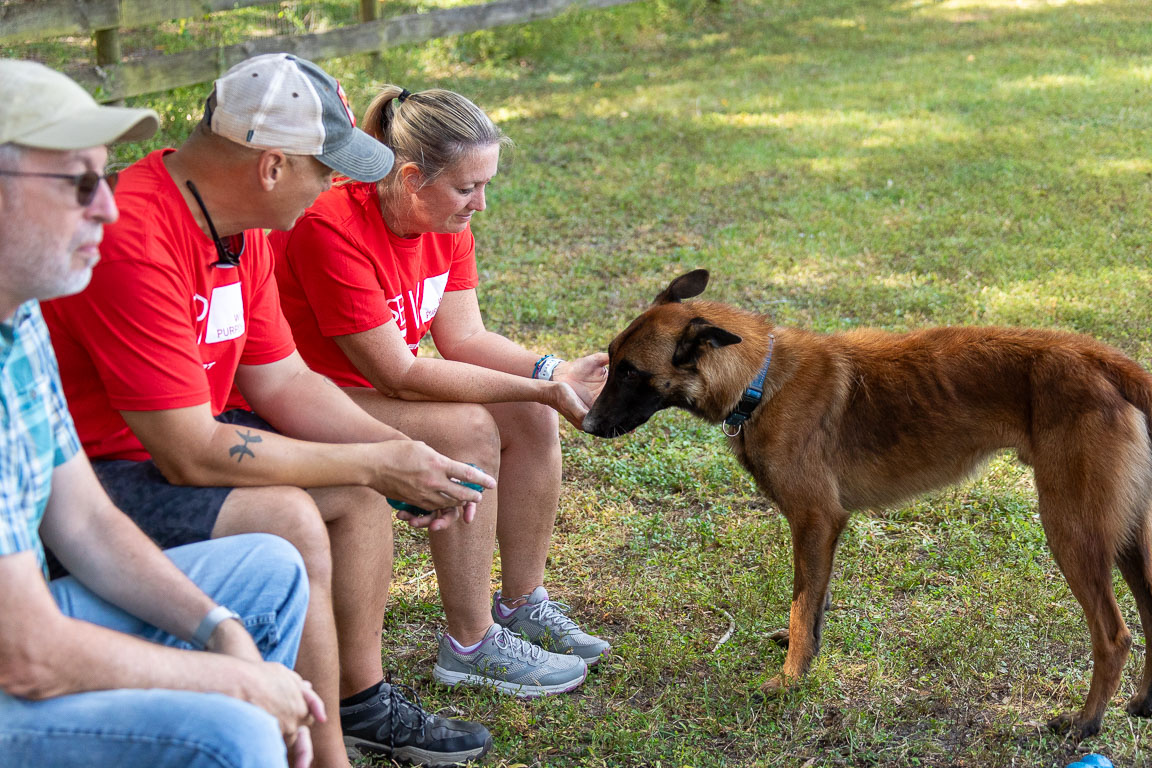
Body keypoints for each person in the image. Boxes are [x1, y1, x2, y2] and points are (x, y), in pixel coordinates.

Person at [41, 54, 495, 768]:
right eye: (327, 170)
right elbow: (185, 450)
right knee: (292, 512)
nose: (337, 187)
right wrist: (379, 459)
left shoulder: (243, 230)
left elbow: (284, 381)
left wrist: (402, 458)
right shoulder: (136, 236)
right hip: (90, 472)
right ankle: (322, 753)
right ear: (272, 167)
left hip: (170, 444)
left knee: (357, 491)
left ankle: (357, 700)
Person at [0, 58, 322, 768]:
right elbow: (24, 655)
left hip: (25, 626)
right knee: (229, 731)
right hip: (15, 651)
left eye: (104, 178)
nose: (107, 207)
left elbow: (84, 519)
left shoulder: (18, 325)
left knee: (269, 569)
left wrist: (218, 631)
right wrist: (236, 681)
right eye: (77, 183)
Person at [268, 85, 611, 693]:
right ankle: (469, 645)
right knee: (472, 428)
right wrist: (535, 387)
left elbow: (466, 337)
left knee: (530, 415)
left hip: (375, 389)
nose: (480, 203)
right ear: (409, 177)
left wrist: (549, 373)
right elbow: (396, 373)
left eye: (485, 184)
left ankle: (521, 601)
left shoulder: (446, 223)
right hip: (310, 395)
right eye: (466, 187)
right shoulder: (333, 227)